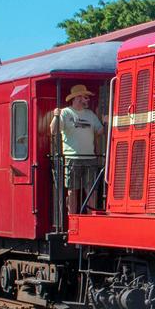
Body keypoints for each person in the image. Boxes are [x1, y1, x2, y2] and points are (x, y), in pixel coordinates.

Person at [52, 84, 104, 215]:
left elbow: (99, 131)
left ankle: (90, 220)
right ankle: (73, 219)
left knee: (92, 190)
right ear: (76, 98)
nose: (87, 100)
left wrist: (107, 121)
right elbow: (53, 130)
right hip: (72, 158)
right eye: (84, 97)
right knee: (72, 190)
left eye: (86, 98)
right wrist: (55, 116)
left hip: (90, 158)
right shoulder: (65, 113)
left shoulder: (90, 114)